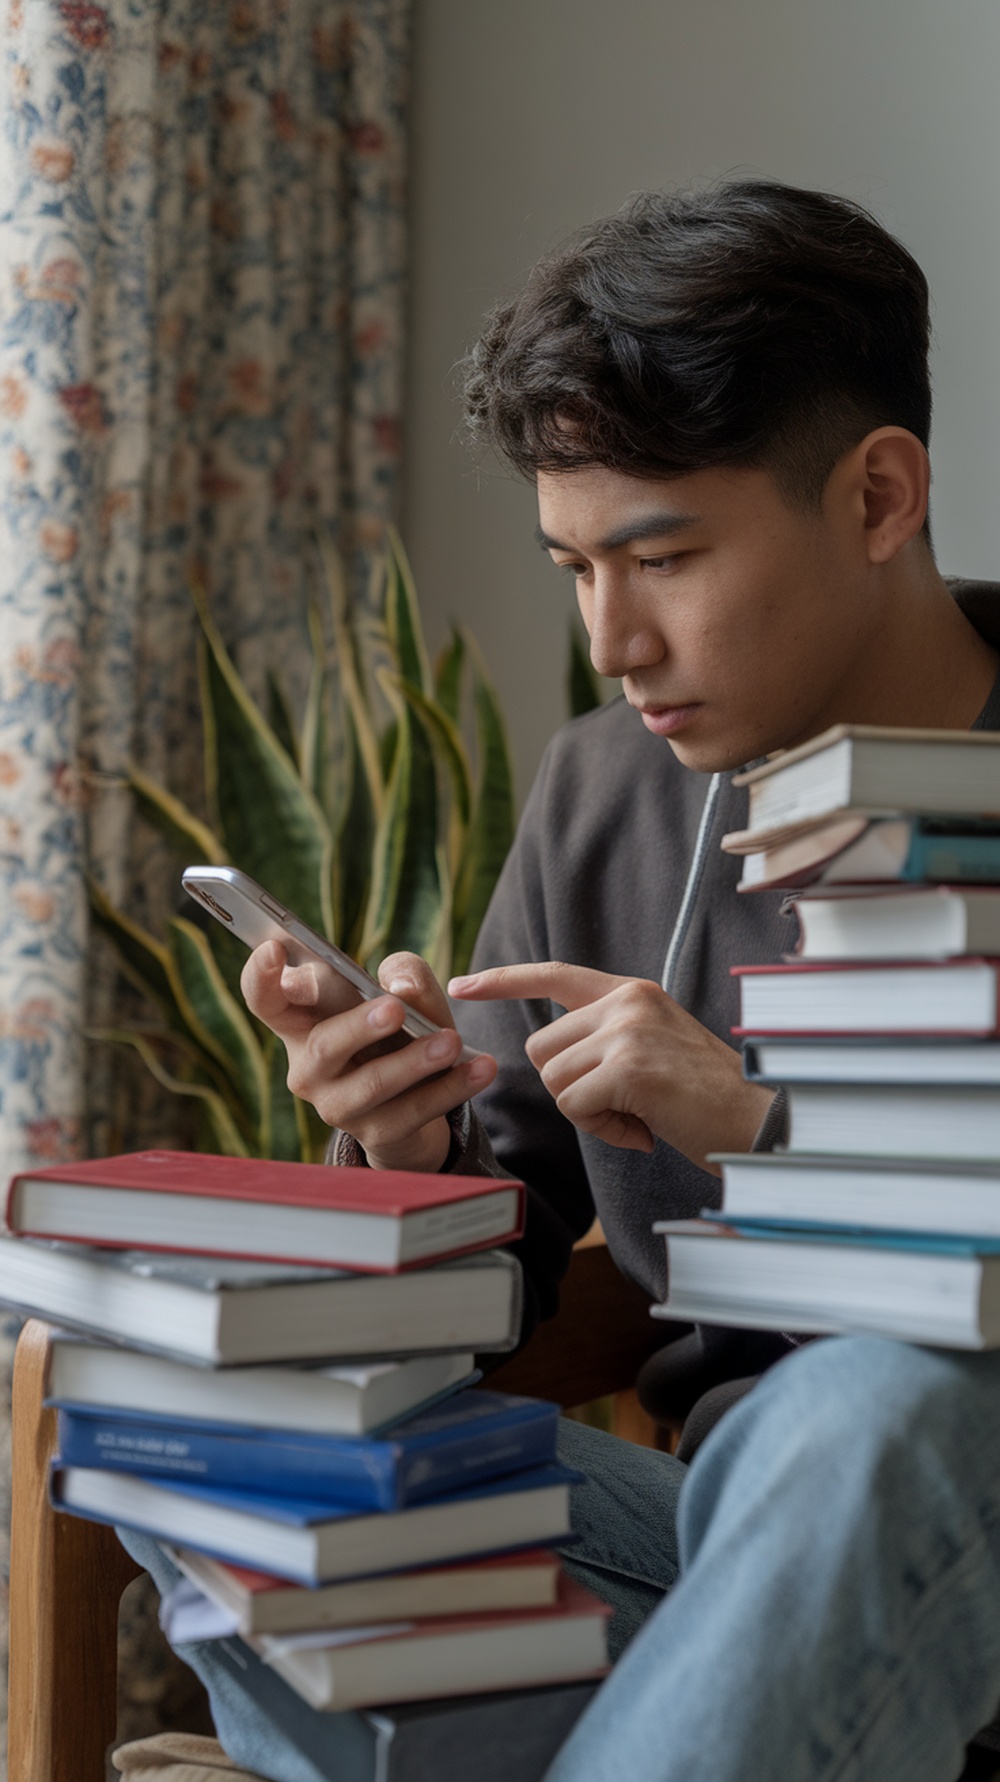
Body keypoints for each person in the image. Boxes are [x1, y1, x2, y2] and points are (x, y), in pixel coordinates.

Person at [124, 182, 1000, 1781]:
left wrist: (758, 1126)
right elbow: (506, 1271)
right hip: (711, 1562)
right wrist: (413, 1145)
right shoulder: (611, 788)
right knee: (205, 1404)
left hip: (949, 1529)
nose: (612, 641)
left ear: (878, 496)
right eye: (572, 565)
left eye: (661, 558)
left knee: (879, 1406)